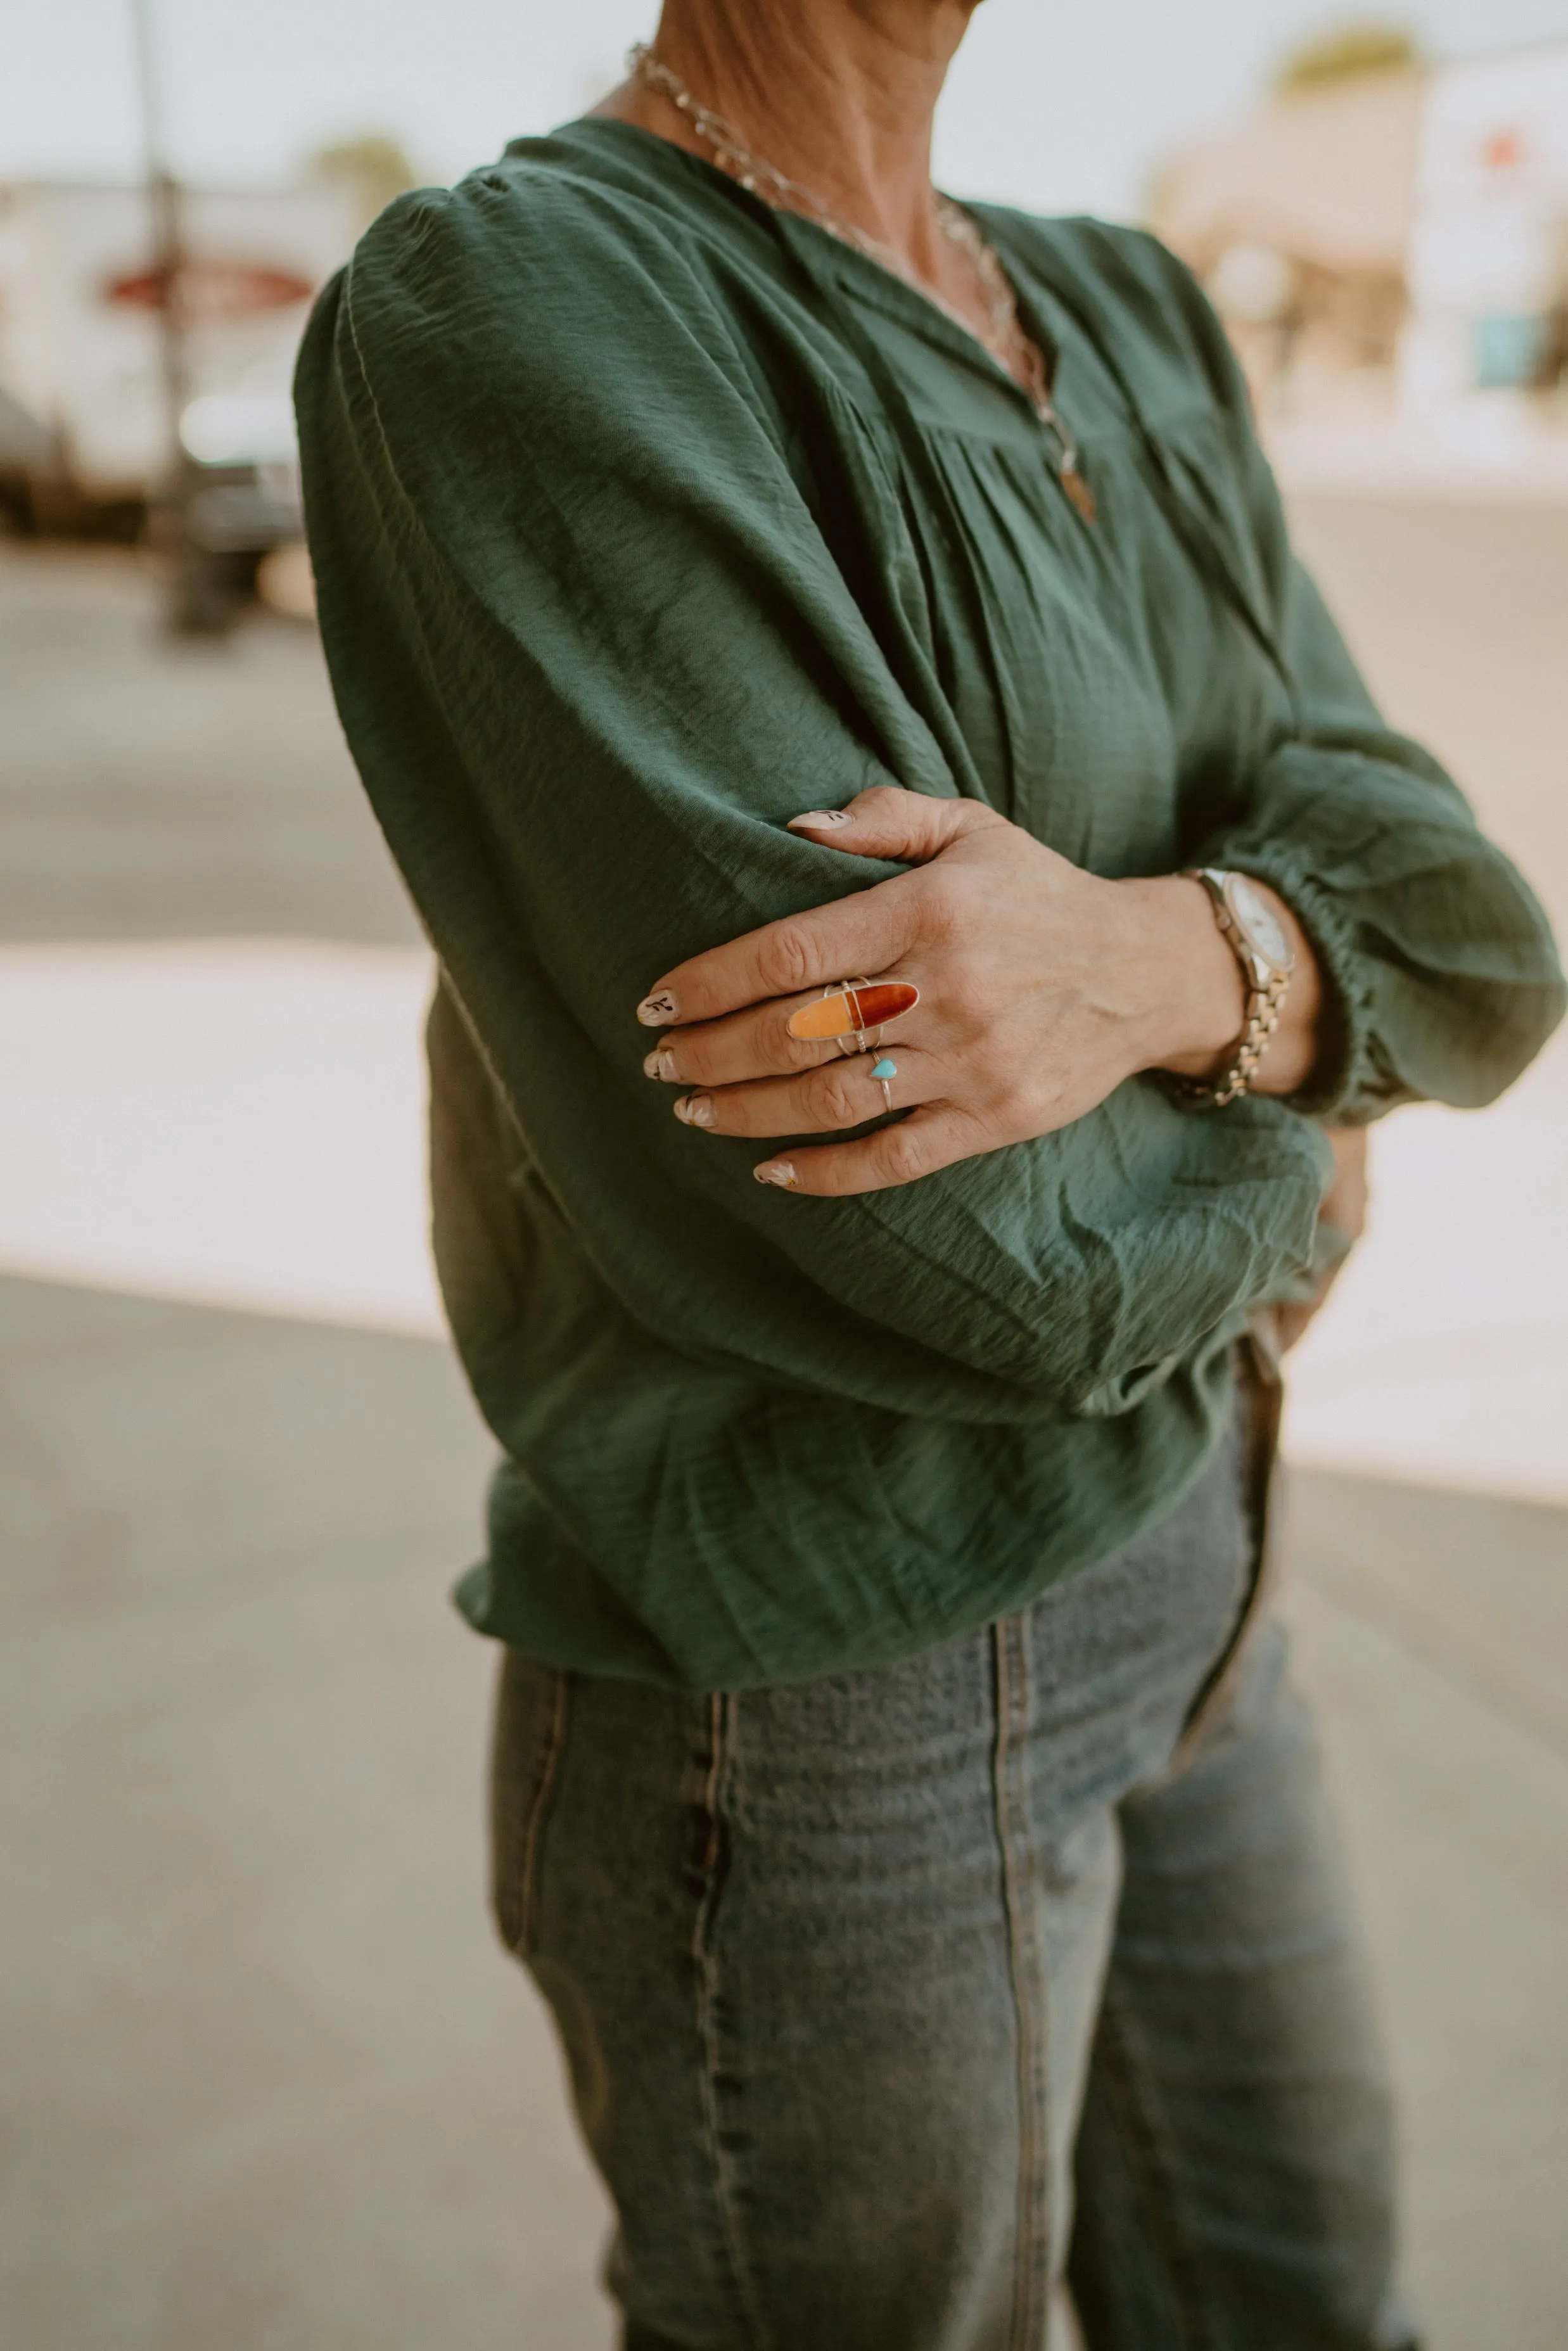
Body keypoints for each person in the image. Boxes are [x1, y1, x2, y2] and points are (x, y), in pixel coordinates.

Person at [293, 3, 1565, 2343]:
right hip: (833, 1689)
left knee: (1308, 2298)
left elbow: (1472, 926)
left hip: (1214, 1560)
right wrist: (1315, 1151)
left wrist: (1166, 958)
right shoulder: (530, 310)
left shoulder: (1135, 306)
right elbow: (981, 1243)